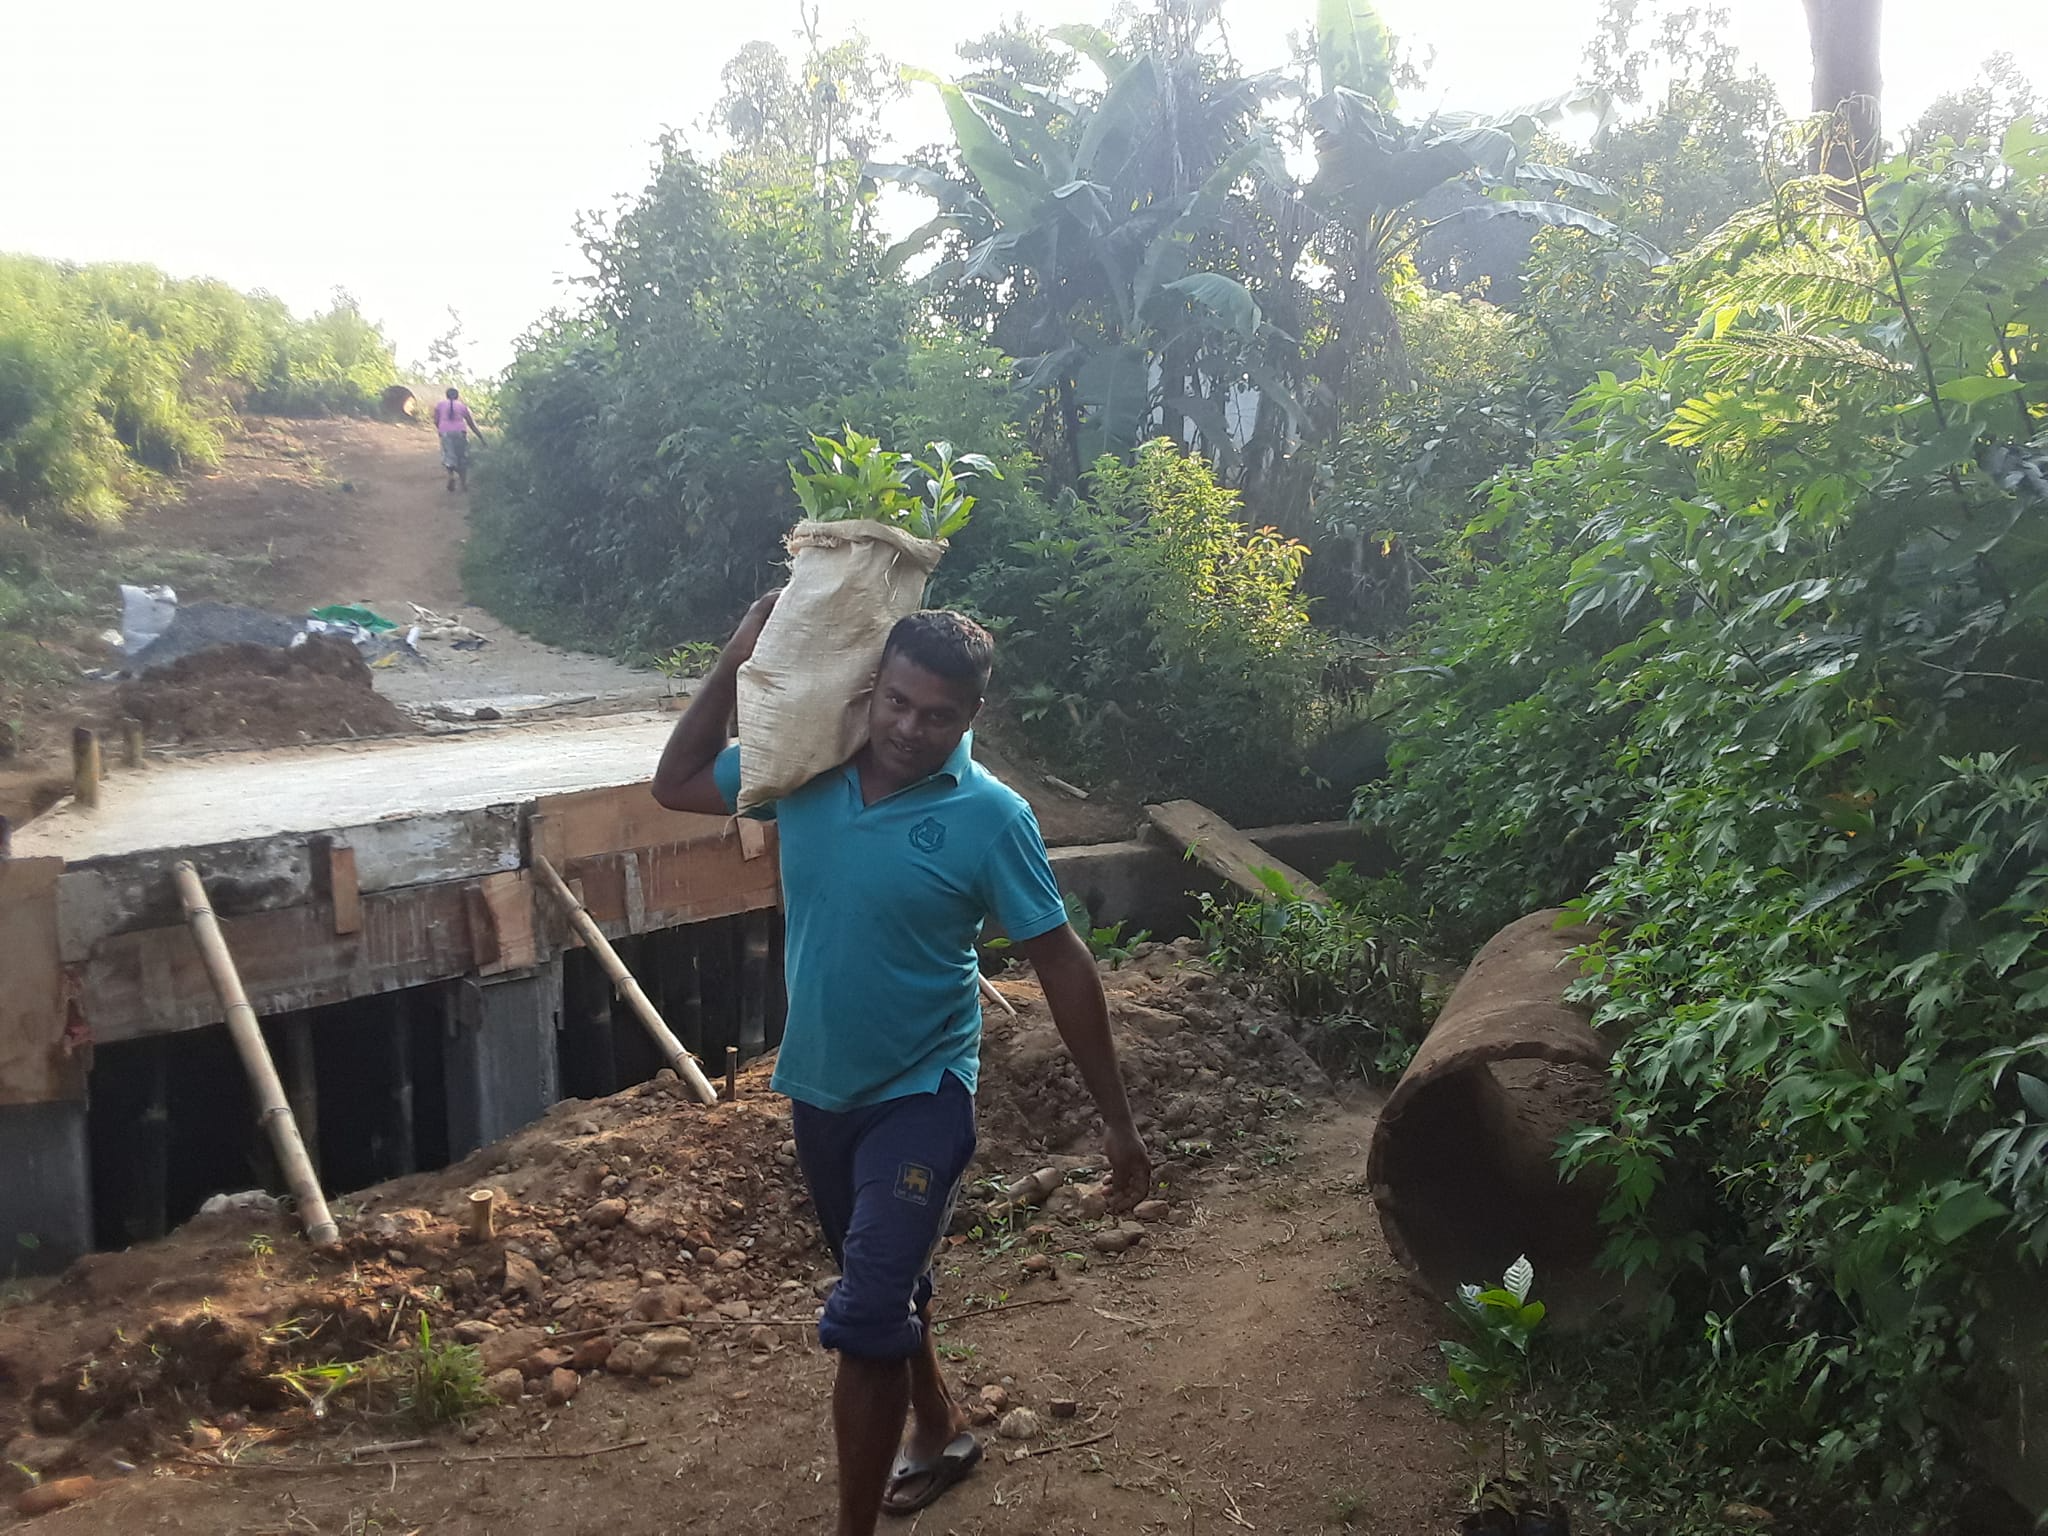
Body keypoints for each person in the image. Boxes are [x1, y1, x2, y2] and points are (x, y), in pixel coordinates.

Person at [651, 599, 1150, 1534]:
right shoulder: (805, 768)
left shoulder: (990, 817)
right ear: (872, 686)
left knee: (869, 1311)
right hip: (819, 1085)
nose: (912, 729)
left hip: (925, 1089)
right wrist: (736, 657)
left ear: (972, 717)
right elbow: (674, 783)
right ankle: (941, 1425)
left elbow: (1062, 962)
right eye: (898, 702)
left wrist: (1117, 1123)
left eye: (939, 715)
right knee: (886, 1278)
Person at [430, 387, 485, 492]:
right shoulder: (462, 406)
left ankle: (451, 476)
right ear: (457, 396)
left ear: (446, 395)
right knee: (462, 457)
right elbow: (471, 424)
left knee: (449, 456)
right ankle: (463, 484)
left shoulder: (440, 405)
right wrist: (481, 438)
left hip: (445, 432)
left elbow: (436, 421)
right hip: (460, 432)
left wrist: (441, 429)